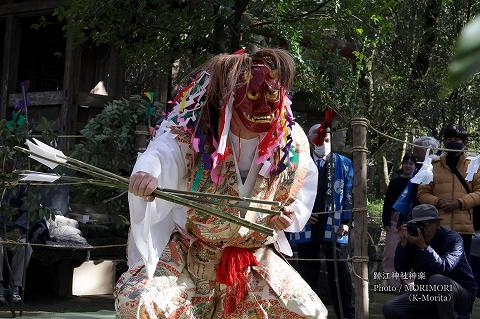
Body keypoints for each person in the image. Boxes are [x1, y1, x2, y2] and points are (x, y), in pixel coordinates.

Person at [114, 48, 328, 318]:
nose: (263, 106)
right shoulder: (194, 128)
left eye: (272, 95)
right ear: (228, 96)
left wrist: (289, 216)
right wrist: (148, 173)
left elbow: (296, 197)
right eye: (252, 95)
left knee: (305, 311)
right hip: (190, 257)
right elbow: (162, 152)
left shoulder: (291, 138)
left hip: (253, 261)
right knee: (141, 302)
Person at [289, 121, 355, 319]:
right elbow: (289, 192)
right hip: (306, 223)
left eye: (327, 139)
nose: (323, 143)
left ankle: (346, 314)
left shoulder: (344, 163)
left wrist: (346, 220)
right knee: (308, 271)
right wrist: (300, 214)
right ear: (310, 140)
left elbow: (350, 195)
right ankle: (308, 314)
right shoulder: (298, 162)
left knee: (340, 272)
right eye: (319, 140)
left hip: (334, 223)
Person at [383, 204, 477, 319]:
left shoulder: (452, 238)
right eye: (419, 224)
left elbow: (444, 268)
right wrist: (403, 245)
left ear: (437, 224)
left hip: (460, 293)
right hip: (427, 293)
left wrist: (423, 247)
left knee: (437, 280)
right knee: (391, 308)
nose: (423, 228)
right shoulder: (414, 238)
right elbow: (401, 269)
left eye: (427, 223)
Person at [417, 124, 480, 258]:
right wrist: (438, 202)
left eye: (457, 140)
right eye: (449, 139)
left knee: (461, 273)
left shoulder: (474, 165)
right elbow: (422, 193)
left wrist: (460, 202)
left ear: (464, 143)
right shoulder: (432, 165)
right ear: (444, 142)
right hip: (437, 229)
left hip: (464, 231)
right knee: (436, 268)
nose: (453, 142)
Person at [381, 153, 416, 287]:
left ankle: (409, 284)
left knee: (409, 253)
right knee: (390, 253)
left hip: (410, 221)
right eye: (405, 163)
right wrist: (385, 220)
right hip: (394, 220)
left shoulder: (416, 182)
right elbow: (387, 202)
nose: (408, 166)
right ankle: (393, 283)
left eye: (411, 163)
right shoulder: (395, 181)